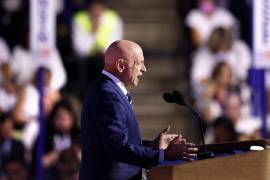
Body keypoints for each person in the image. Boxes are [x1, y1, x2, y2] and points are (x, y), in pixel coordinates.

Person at [80, 40, 198, 180]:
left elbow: (115, 142)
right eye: (139, 63)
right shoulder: (108, 95)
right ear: (120, 65)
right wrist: (163, 155)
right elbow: (118, 148)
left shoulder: (108, 90)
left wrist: (152, 146)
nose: (144, 69)